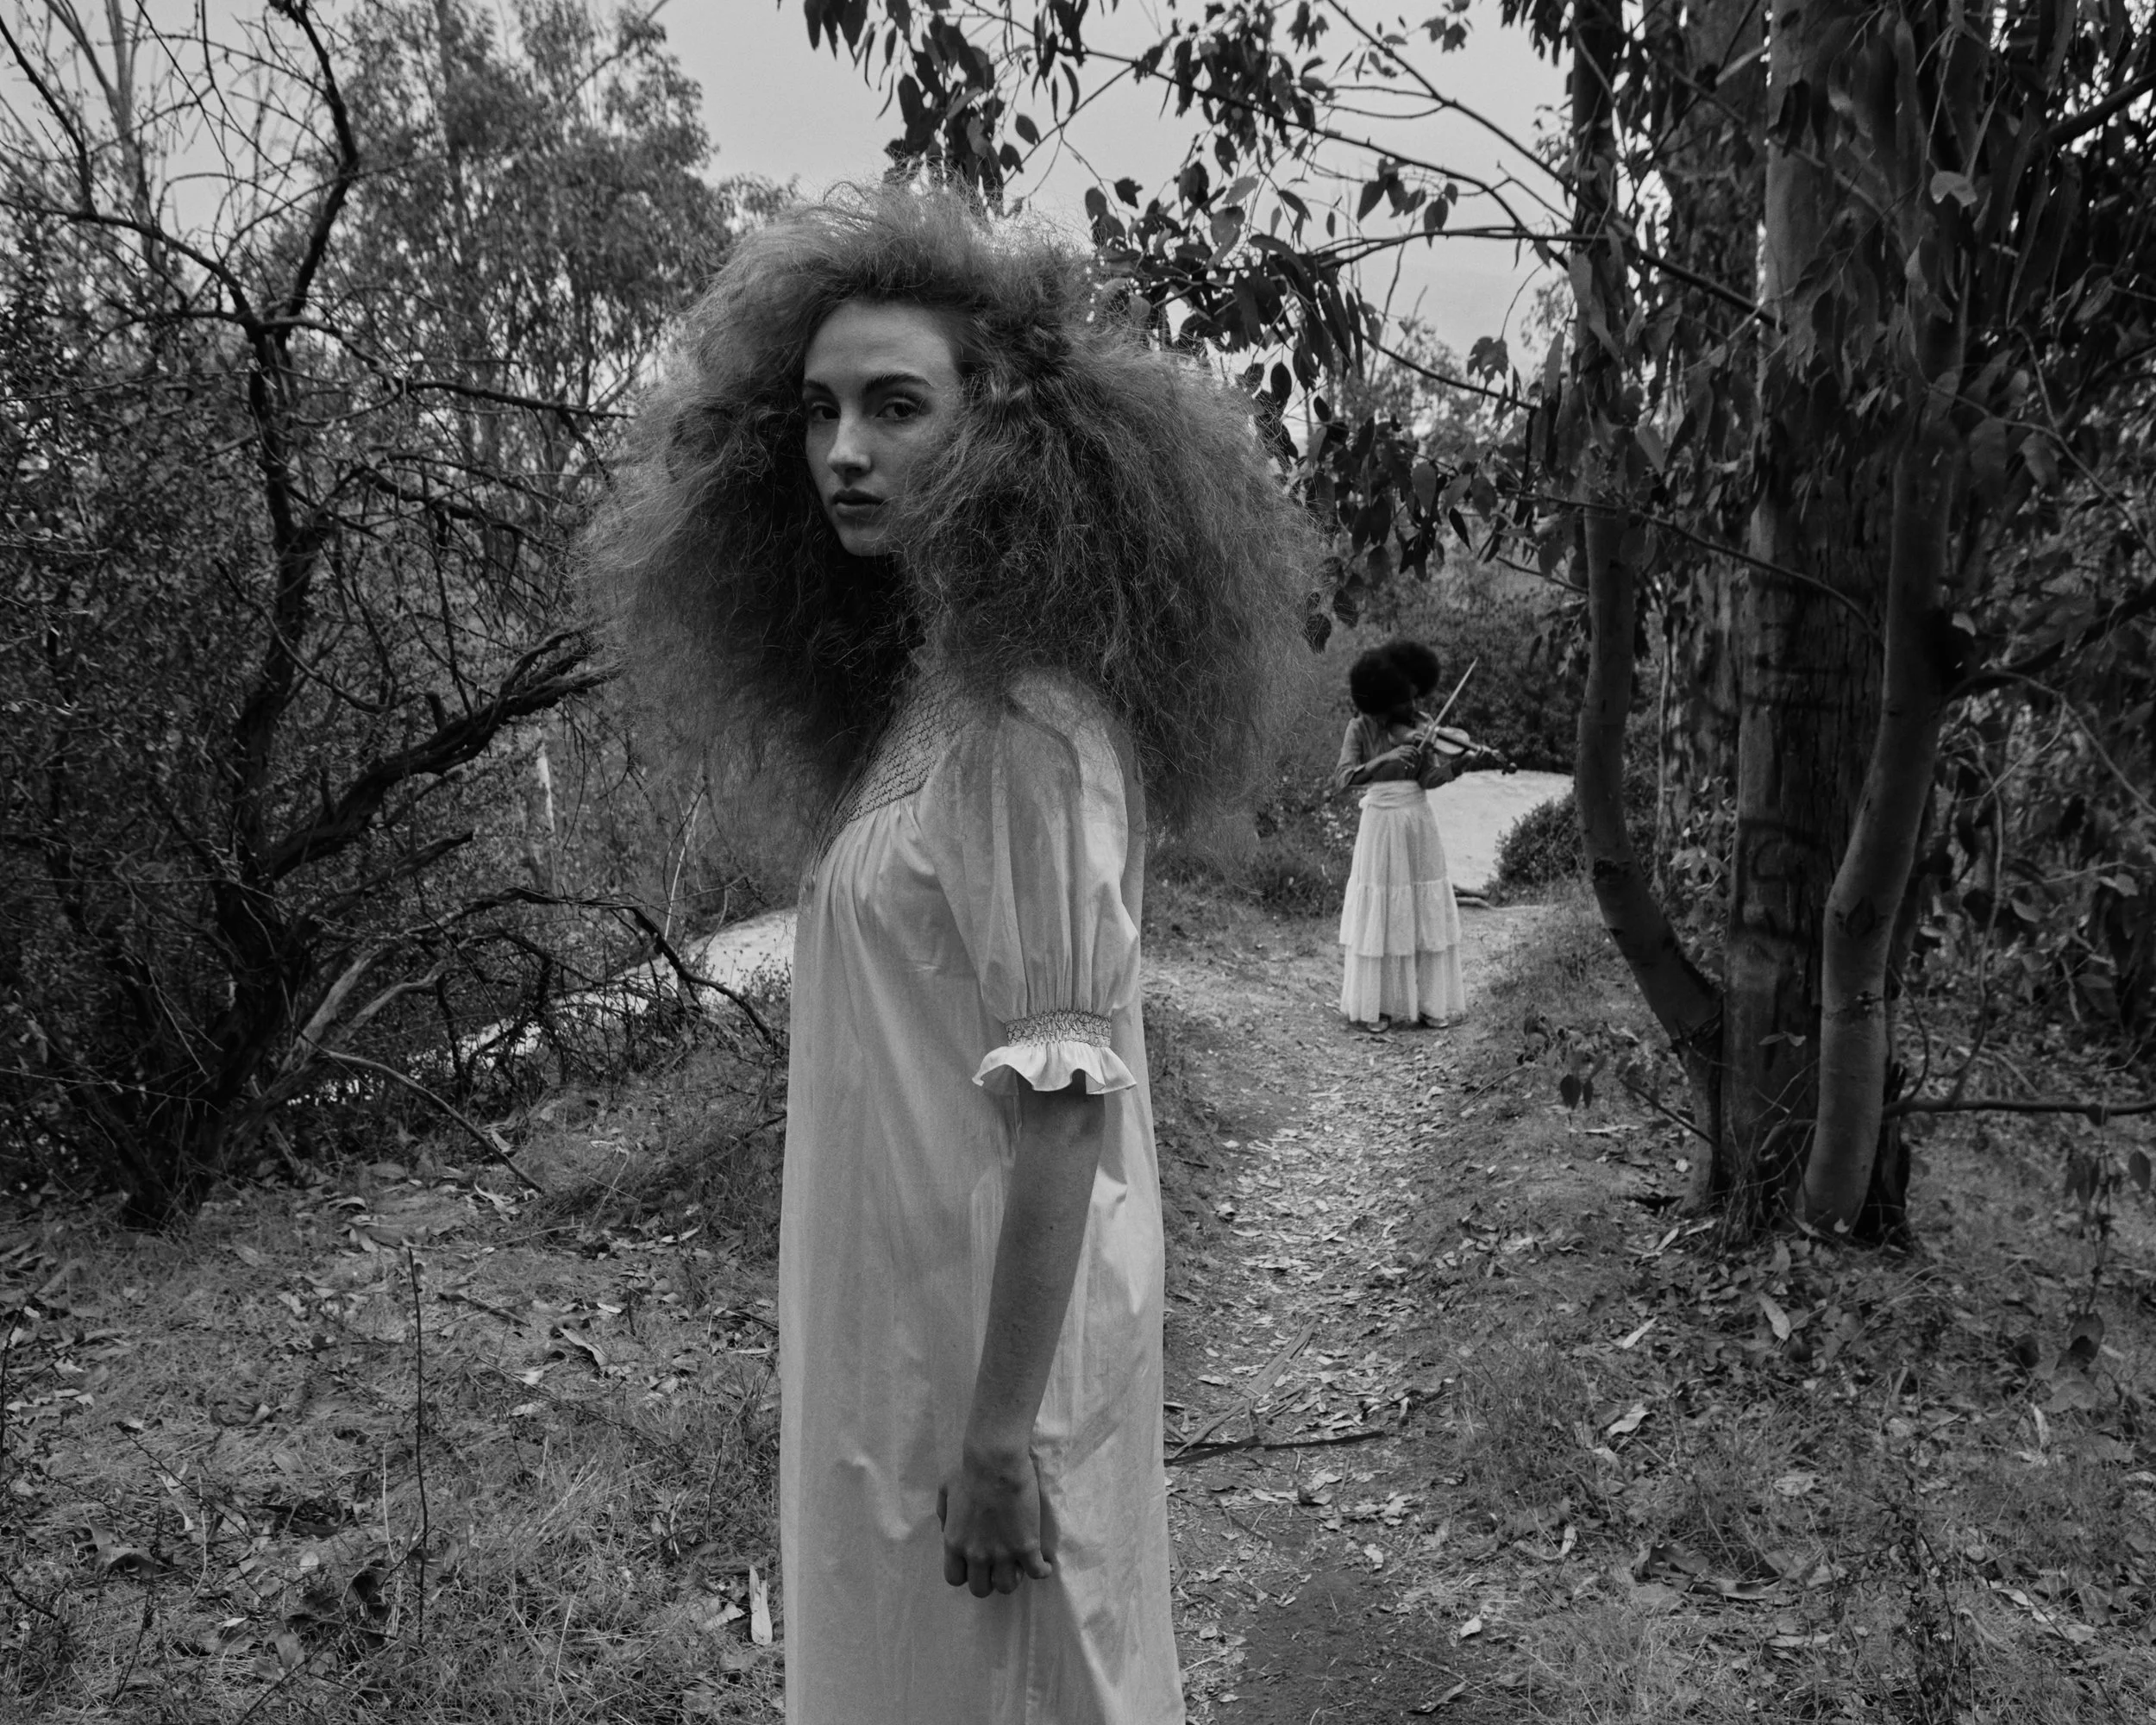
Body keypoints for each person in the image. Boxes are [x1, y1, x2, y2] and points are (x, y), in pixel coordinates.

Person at [588, 182, 1313, 1724]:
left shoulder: (1028, 726)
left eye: (896, 407)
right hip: (892, 1302)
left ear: (999, 429)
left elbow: (1064, 1111)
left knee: (1018, 1690)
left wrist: (1002, 1440)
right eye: (820, 410)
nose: (845, 450)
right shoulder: (926, 691)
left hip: (989, 1348)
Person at [1332, 641, 1468, 1029]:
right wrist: (1384, 760)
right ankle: (1380, 1007)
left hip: (1418, 820)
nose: (1413, 707)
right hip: (1381, 821)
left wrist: (1458, 768)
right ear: (1385, 697)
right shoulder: (1359, 728)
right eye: (1404, 700)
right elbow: (1343, 778)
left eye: (1415, 697)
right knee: (1386, 907)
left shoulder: (1422, 726)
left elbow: (1429, 778)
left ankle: (1428, 1003)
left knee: (1422, 905)